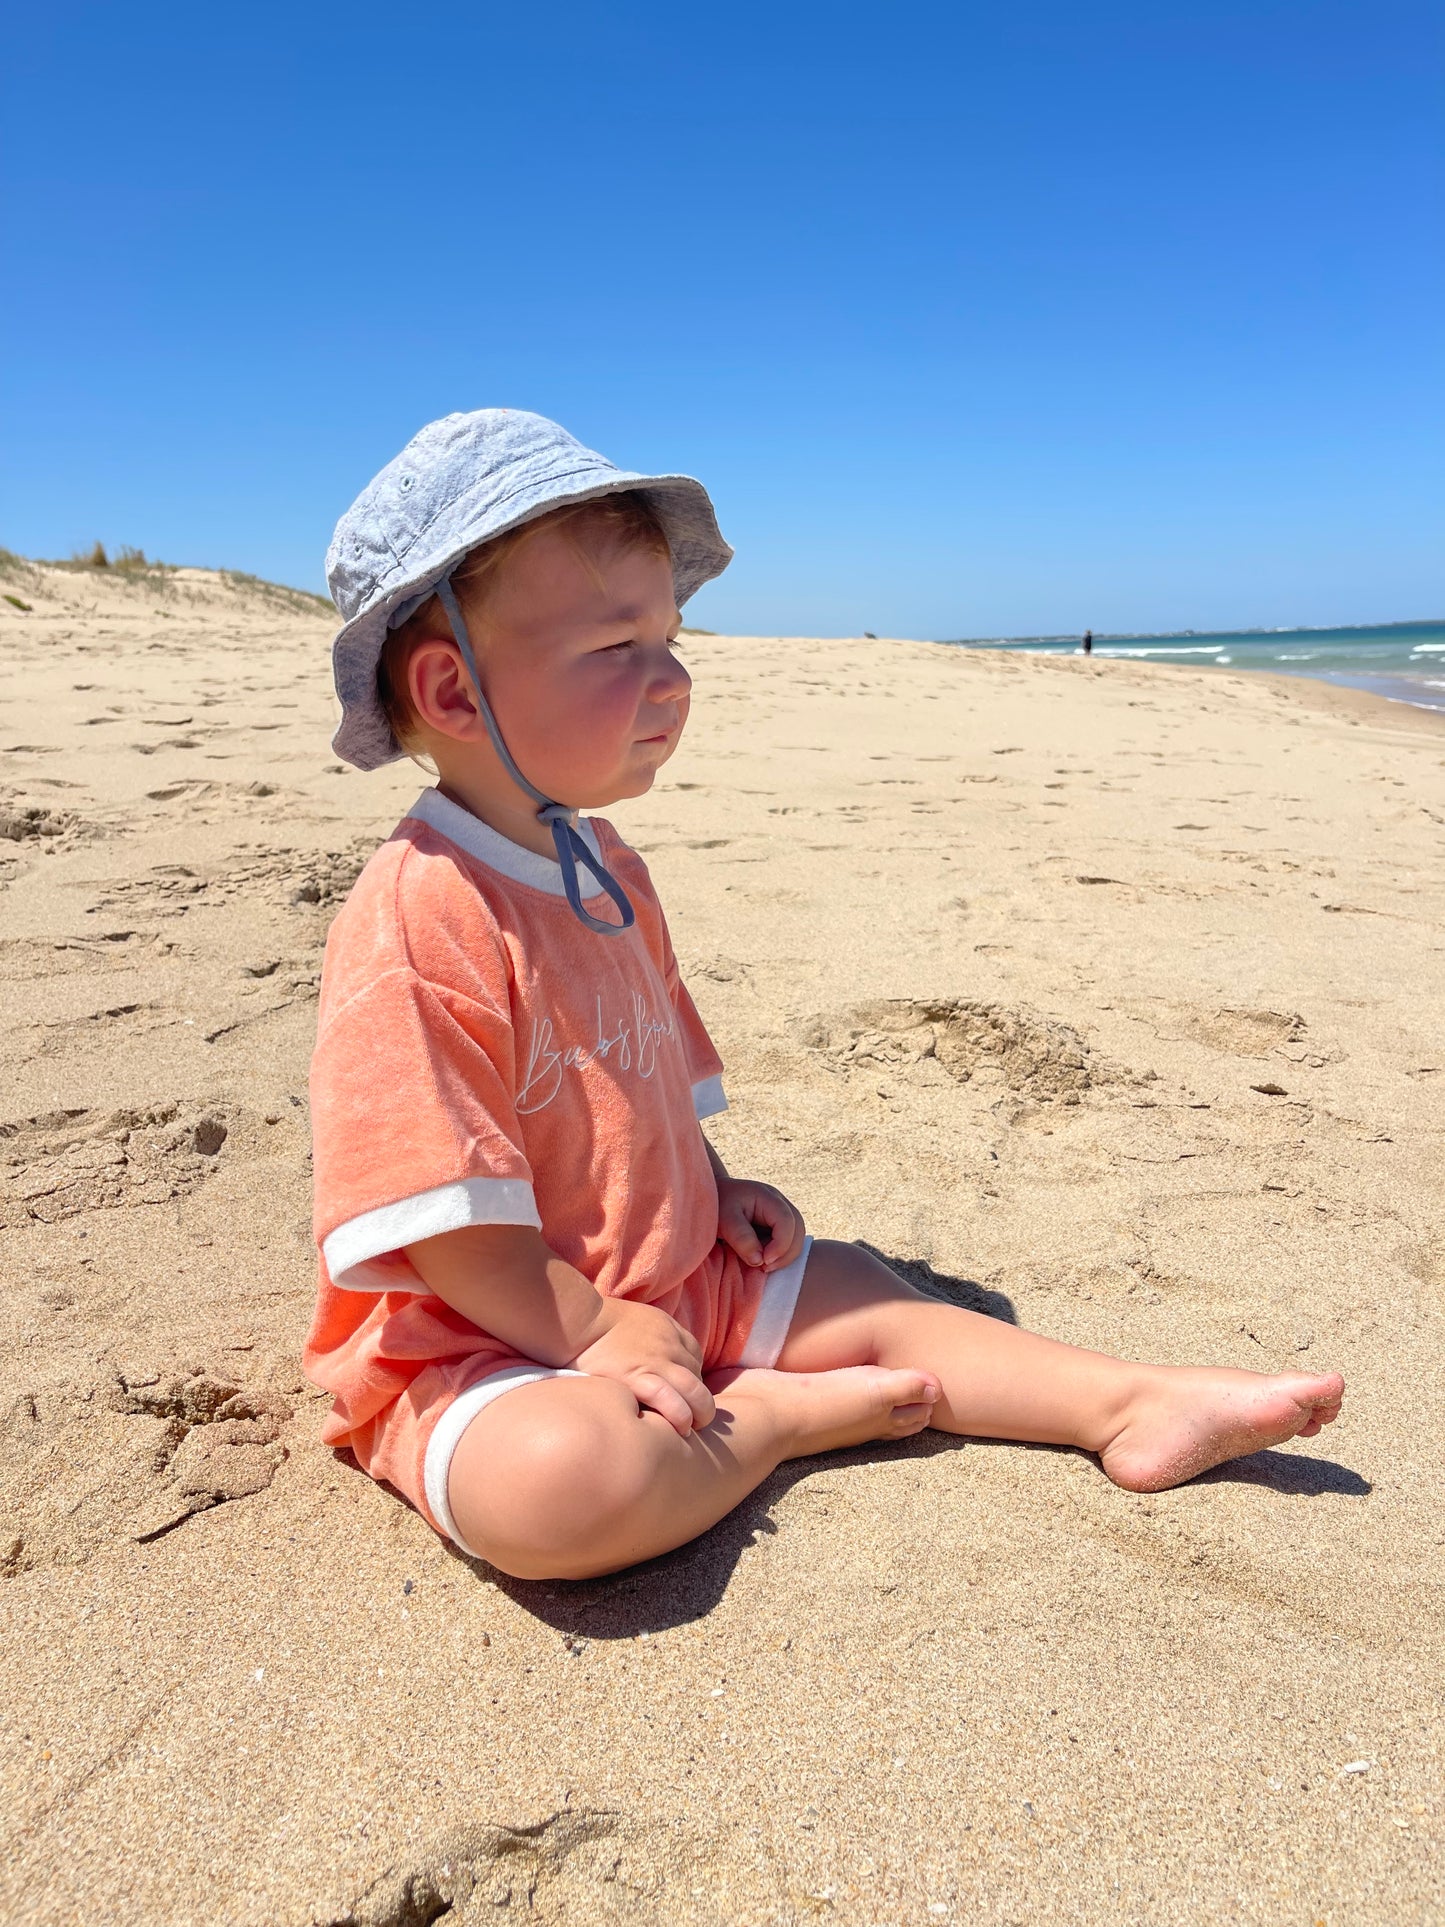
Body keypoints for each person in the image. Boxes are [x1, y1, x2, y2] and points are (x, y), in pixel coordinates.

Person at [303, 409, 1344, 1581]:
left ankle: (1127, 1400)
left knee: (867, 1288)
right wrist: (589, 1333)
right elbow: (440, 1217)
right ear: (450, 688)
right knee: (557, 1486)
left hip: (657, 1275)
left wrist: (709, 1185)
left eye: (672, 638)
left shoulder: (606, 871)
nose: (673, 680)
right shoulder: (421, 911)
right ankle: (778, 1421)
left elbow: (629, 1093)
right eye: (617, 649)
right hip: (494, 1329)